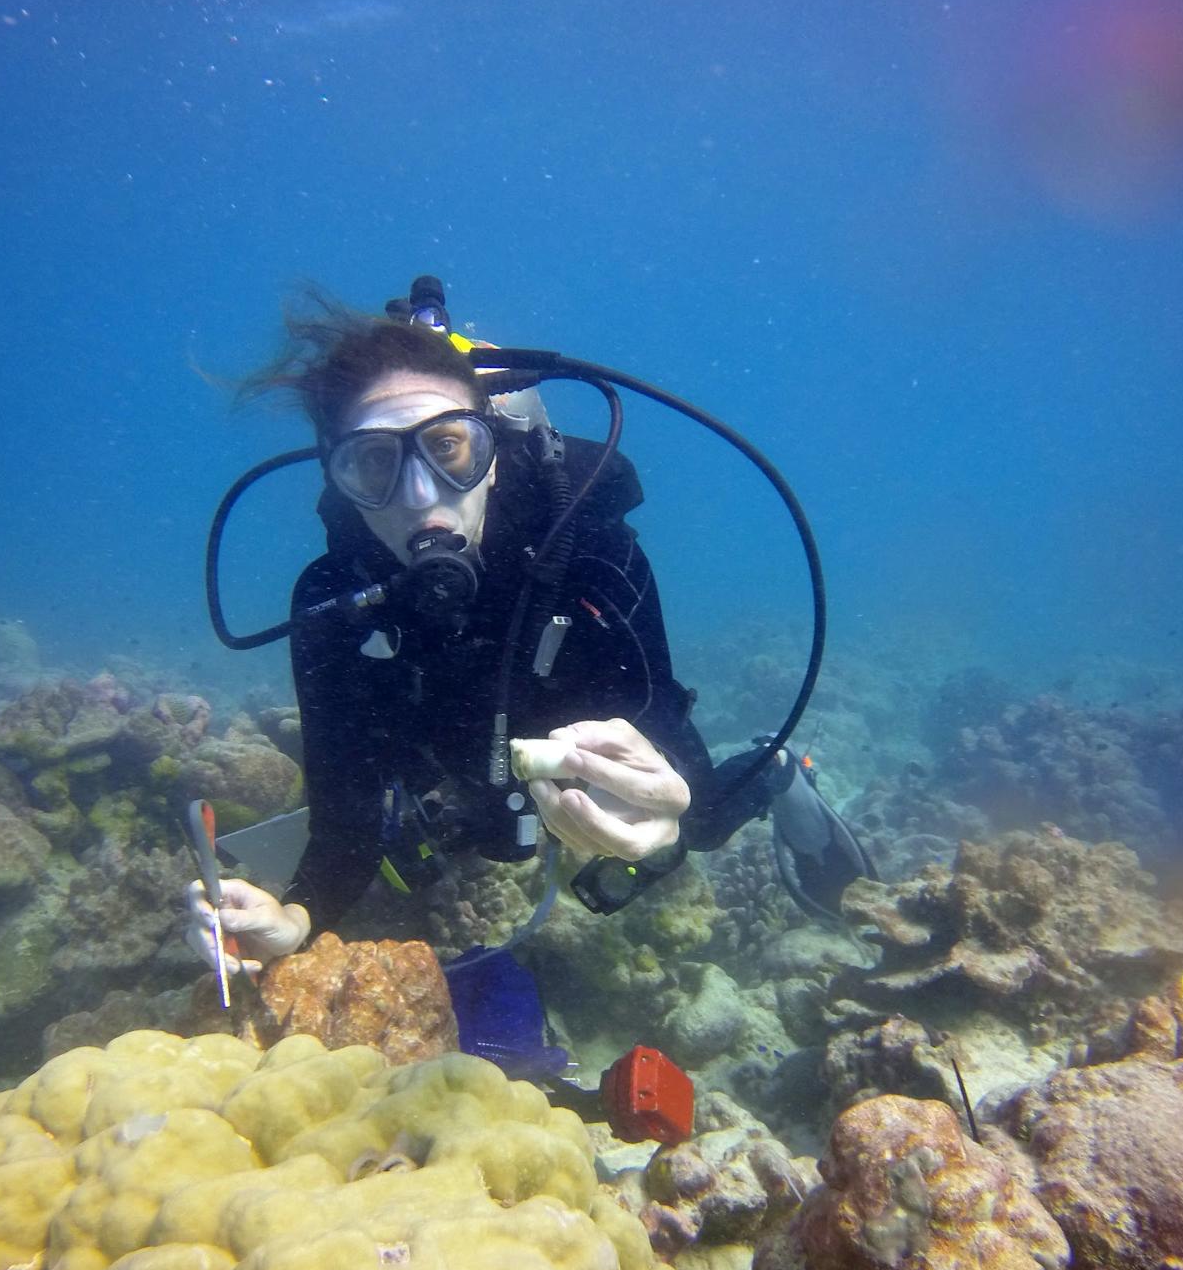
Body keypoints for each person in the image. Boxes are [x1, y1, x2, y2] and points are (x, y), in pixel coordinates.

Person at [189, 287, 872, 980]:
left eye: (447, 447)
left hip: (574, 718)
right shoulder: (332, 599)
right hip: (452, 744)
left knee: (698, 824)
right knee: (427, 835)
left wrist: (663, 820)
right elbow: (342, 817)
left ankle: (779, 773)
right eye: (372, 462)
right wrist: (294, 918)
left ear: (488, 453)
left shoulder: (588, 552)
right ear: (339, 479)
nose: (420, 497)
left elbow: (659, 735)